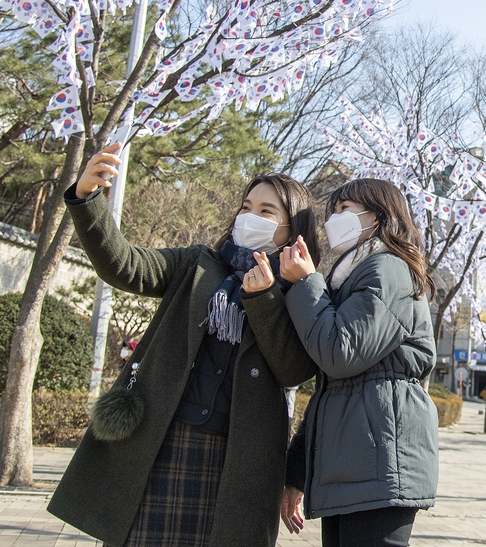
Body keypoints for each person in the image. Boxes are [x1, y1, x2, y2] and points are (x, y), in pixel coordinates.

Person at [47, 143, 320, 547]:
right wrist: (88, 199)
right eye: (246, 206)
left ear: (291, 230)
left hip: (239, 459)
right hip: (162, 439)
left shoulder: (301, 292)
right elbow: (124, 265)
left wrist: (263, 299)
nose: (250, 216)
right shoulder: (198, 264)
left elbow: (294, 370)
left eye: (266, 212)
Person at [277, 177, 439, 547]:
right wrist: (298, 472)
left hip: (379, 463)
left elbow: (340, 354)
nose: (334, 220)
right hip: (356, 464)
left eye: (345, 210)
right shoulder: (352, 278)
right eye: (332, 211)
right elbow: (333, 389)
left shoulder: (389, 270)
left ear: (379, 217)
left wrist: (306, 283)